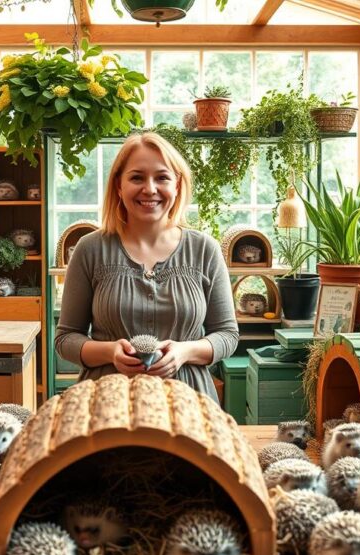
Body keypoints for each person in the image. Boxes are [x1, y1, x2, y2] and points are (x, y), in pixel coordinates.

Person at [54, 132, 239, 403]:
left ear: (177, 185)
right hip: (107, 404)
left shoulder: (204, 250)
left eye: (162, 177)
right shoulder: (90, 249)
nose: (150, 189)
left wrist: (184, 352)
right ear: (119, 185)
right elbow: (66, 339)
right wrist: (110, 352)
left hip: (189, 404)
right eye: (137, 177)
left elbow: (227, 335)